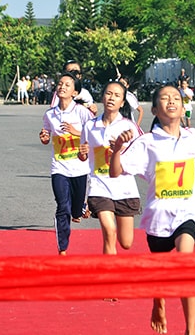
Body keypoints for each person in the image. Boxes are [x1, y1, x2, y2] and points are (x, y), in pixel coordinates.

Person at [109, 85, 195, 335]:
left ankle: (190, 329)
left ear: (183, 108)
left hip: (188, 213)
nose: (171, 101)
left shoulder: (192, 137)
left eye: (176, 98)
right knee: (162, 273)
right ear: (154, 109)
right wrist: (117, 149)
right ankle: (158, 301)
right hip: (158, 217)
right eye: (164, 98)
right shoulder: (146, 142)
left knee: (185, 263)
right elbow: (115, 171)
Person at [78, 81, 142, 257]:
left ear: (122, 102)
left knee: (126, 242)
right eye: (108, 93)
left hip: (125, 188)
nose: (111, 98)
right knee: (109, 231)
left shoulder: (129, 127)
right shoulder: (90, 126)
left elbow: (139, 157)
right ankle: (110, 276)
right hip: (99, 186)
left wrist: (120, 150)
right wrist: (81, 153)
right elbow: (83, 157)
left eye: (116, 95)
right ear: (102, 97)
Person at [39, 72, 94, 255]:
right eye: (60, 84)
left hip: (80, 168)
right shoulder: (50, 114)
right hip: (59, 167)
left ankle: (81, 207)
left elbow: (94, 134)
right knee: (62, 207)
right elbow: (46, 136)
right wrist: (45, 137)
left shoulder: (82, 112)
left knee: (75, 211)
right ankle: (62, 248)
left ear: (75, 92)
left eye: (67, 85)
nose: (62, 87)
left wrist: (76, 132)